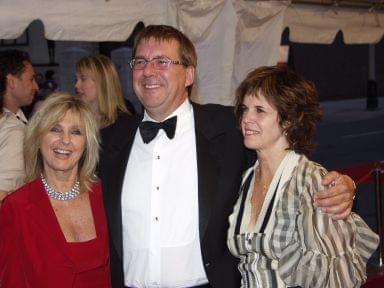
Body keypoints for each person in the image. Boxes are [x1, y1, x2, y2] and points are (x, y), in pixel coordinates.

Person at [99, 25, 357, 288]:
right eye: (140, 61)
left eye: (162, 61)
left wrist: (344, 188)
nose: (148, 71)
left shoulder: (232, 130)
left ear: (189, 74)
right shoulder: (108, 140)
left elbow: (290, 168)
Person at [227, 66, 379, 288]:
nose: (246, 118)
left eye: (260, 110)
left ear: (288, 121)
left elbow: (336, 279)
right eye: (244, 109)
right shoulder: (246, 179)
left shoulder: (310, 180)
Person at [0, 92, 111, 287]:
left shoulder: (107, 197)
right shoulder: (15, 208)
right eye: (55, 129)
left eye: (76, 132)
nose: (65, 139)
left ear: (87, 144)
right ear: (38, 137)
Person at [0, 49, 38, 203]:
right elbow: (4, 195)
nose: (36, 86)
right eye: (31, 79)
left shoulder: (15, 123)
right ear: (12, 82)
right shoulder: (15, 130)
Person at [75, 54, 133, 129]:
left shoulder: (123, 124)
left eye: (83, 79)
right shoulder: (74, 118)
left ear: (102, 82)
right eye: (76, 79)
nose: (76, 85)